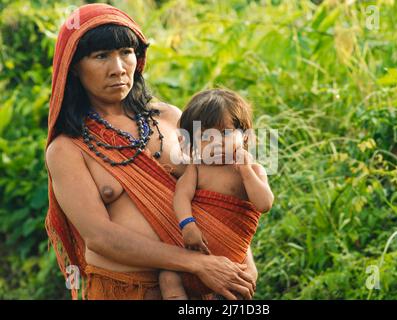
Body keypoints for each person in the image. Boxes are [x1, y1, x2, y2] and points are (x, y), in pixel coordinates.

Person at [45, 3, 257, 300]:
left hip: (206, 286)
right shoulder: (67, 149)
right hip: (126, 290)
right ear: (74, 67)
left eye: (126, 53)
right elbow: (100, 237)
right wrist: (198, 263)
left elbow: (221, 188)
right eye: (101, 56)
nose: (118, 68)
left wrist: (240, 260)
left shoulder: (171, 118)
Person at [158, 89, 274, 300]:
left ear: (245, 135)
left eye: (227, 133)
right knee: (168, 277)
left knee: (240, 288)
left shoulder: (253, 170)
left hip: (233, 262)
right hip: (194, 253)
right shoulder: (197, 168)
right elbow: (181, 196)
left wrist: (246, 171)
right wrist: (188, 225)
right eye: (205, 136)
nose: (218, 142)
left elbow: (264, 204)